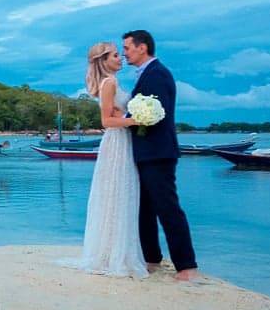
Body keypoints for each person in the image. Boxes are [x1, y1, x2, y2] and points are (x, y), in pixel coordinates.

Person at [63, 42, 148, 278]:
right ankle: (112, 253)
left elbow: (115, 113)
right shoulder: (109, 83)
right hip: (117, 142)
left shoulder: (112, 82)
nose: (120, 58)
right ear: (103, 60)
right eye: (115, 55)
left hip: (123, 140)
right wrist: (136, 120)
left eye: (120, 54)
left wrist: (127, 115)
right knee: (116, 192)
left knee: (120, 193)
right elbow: (106, 121)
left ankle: (114, 249)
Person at [122, 29, 200, 281]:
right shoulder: (148, 73)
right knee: (145, 208)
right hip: (146, 152)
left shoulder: (157, 74)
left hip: (158, 151)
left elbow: (157, 113)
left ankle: (186, 266)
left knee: (167, 208)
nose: (124, 53)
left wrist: (125, 120)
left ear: (142, 47)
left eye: (127, 48)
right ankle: (151, 258)